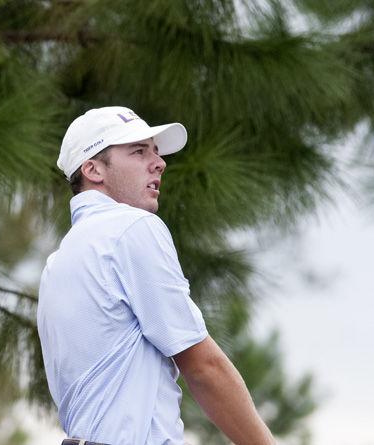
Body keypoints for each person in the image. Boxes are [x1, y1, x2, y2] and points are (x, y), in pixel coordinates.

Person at [36, 106, 275, 445]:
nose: (159, 162)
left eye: (156, 152)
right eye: (138, 151)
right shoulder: (132, 228)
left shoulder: (58, 262)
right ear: (93, 169)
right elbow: (203, 367)